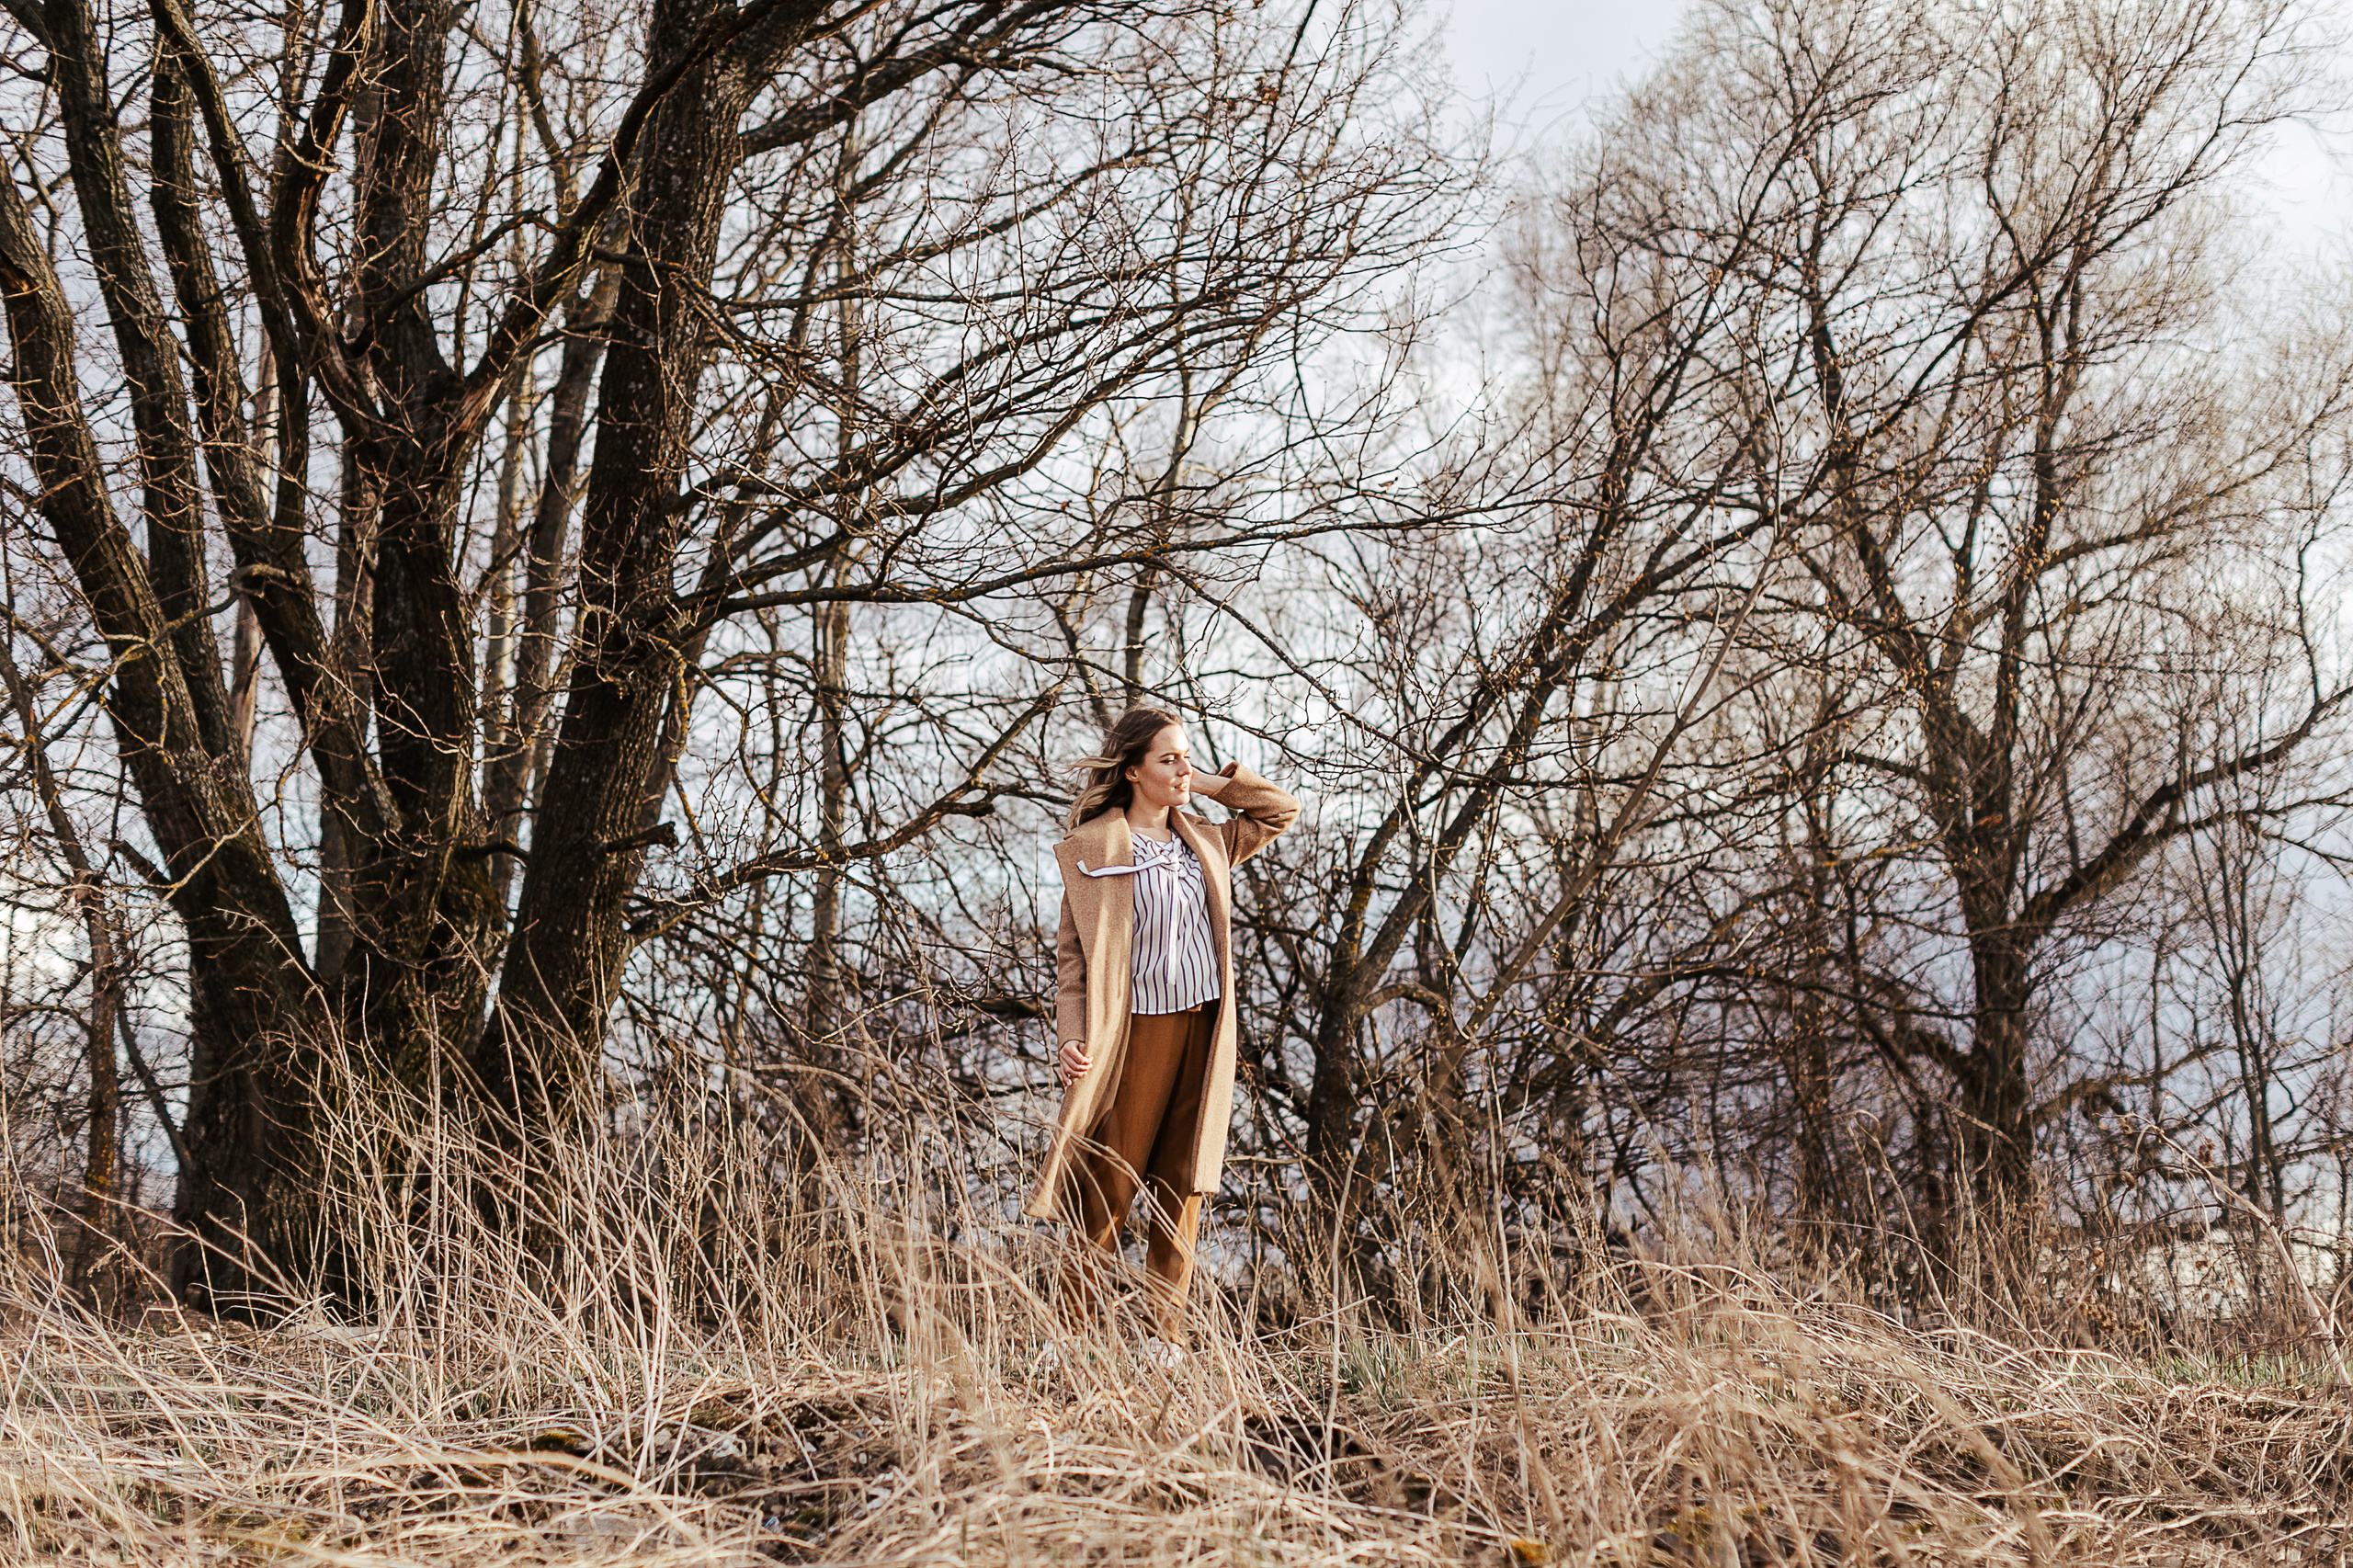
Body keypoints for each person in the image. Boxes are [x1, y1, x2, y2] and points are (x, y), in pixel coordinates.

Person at [1024, 707, 1299, 1356]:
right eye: (1168, 759)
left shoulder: (1208, 840)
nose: (1182, 769)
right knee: (1110, 1183)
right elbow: (1073, 961)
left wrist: (1208, 783)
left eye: (1187, 757)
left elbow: (1280, 810)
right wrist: (1070, 1035)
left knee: (1183, 1185)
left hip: (1205, 1033)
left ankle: (1162, 1338)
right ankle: (1072, 1337)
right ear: (1132, 771)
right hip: (1133, 1034)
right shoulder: (1095, 849)